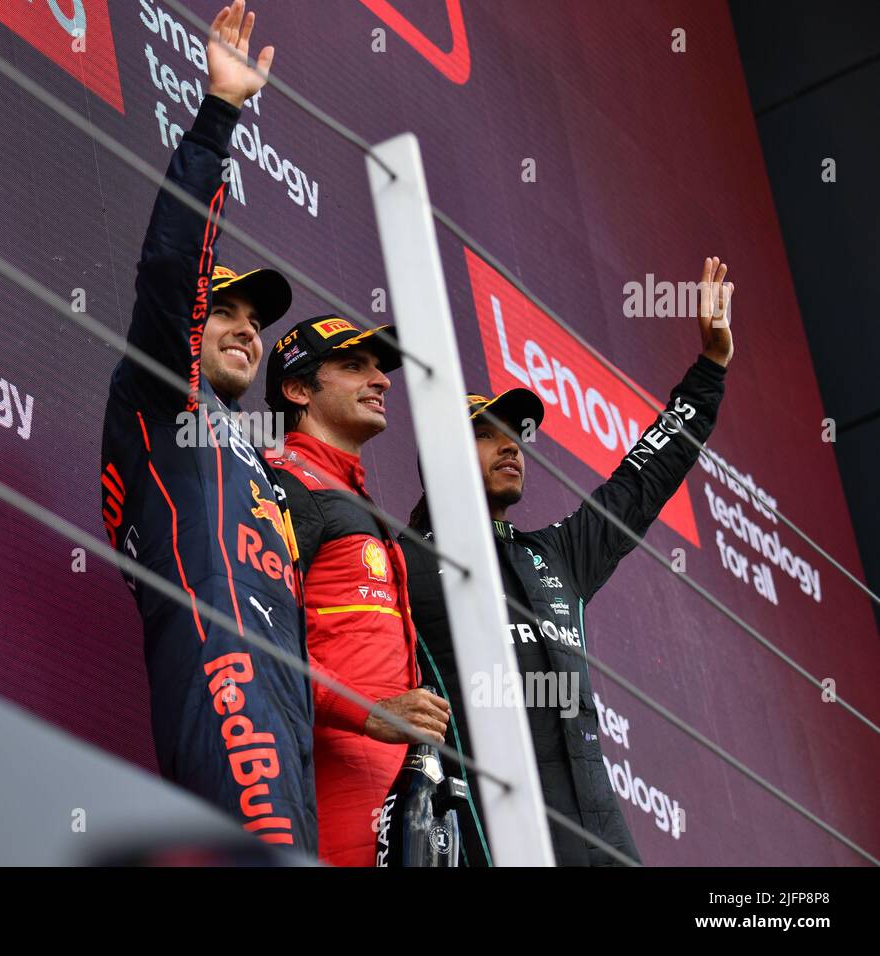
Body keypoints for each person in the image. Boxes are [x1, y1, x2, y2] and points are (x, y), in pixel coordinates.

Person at [400, 257, 735, 865]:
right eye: (487, 433)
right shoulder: (398, 563)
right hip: (490, 834)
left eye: (517, 435)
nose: (512, 447)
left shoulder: (554, 554)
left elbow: (642, 480)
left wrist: (709, 368)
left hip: (600, 831)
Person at [100, 2, 318, 854]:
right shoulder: (163, 393)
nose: (244, 328)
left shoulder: (259, 462)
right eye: (221, 309)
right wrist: (220, 114)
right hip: (219, 677)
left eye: (254, 319)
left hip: (287, 707)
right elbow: (168, 267)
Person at [265, 316, 453, 866]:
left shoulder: (350, 497)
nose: (382, 380)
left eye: (379, 367)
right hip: (329, 789)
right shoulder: (286, 481)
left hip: (396, 795)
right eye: (353, 366)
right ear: (298, 390)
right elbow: (251, 627)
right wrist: (366, 710)